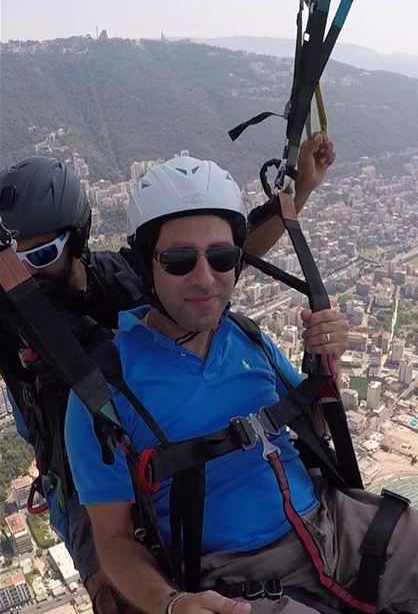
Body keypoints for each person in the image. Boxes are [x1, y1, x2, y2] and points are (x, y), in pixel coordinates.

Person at [65, 156, 418, 614]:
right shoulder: (105, 391)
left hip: (334, 522)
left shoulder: (247, 338)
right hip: (234, 576)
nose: (206, 278)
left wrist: (324, 367)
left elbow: (315, 427)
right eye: (179, 260)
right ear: (145, 265)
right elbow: (113, 541)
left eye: (223, 256)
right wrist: (171, 604)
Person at [0, 132, 338, 613]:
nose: (25, 274)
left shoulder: (124, 273)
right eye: (12, 262)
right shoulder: (12, 317)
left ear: (74, 239)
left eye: (39, 256)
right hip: (79, 473)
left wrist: (300, 188)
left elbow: (226, 260)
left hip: (153, 444)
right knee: (116, 596)